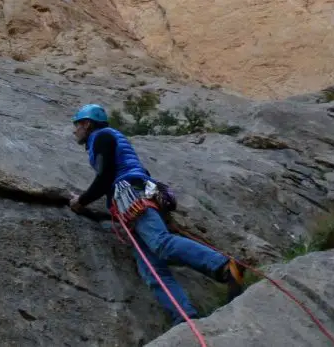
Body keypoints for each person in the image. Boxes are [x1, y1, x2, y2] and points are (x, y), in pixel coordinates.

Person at [68, 103, 244, 326]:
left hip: (131, 194)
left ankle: (224, 266)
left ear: (87, 123)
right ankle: (185, 318)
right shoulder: (107, 139)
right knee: (152, 271)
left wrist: (81, 201)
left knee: (160, 243)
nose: (74, 131)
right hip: (131, 196)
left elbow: (105, 177)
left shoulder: (102, 137)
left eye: (77, 125)